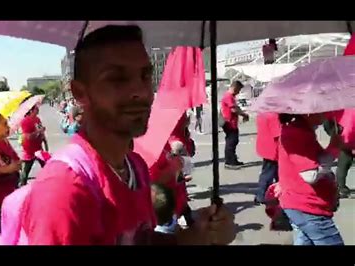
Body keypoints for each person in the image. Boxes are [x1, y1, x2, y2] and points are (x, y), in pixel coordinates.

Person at [21, 25, 235, 245]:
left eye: (145, 75)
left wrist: (199, 235)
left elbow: (143, 240)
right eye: (117, 78)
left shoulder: (136, 166)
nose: (140, 91)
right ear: (80, 92)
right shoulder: (63, 189)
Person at [278, 113, 343, 245]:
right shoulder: (296, 134)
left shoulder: (303, 131)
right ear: (308, 112)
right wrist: (333, 148)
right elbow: (310, 175)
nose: (325, 116)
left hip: (303, 204)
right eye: (322, 111)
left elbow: (317, 159)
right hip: (307, 206)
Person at [323, 109, 354, 199]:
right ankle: (340, 187)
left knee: (344, 162)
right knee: (345, 161)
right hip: (346, 135)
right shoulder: (351, 109)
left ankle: (340, 187)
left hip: (342, 132)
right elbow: (350, 126)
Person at [220, 80, 249, 169]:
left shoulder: (231, 96)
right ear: (234, 87)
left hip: (231, 123)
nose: (238, 92)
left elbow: (236, 107)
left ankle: (233, 160)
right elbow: (233, 109)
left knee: (233, 141)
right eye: (238, 90)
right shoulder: (228, 96)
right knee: (231, 142)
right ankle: (229, 162)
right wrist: (244, 114)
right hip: (229, 123)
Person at [254, 112, 281, 205]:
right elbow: (277, 135)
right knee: (268, 174)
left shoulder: (262, 114)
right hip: (273, 149)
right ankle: (261, 195)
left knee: (271, 173)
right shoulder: (273, 116)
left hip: (265, 147)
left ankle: (265, 194)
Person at [19, 105, 48, 187]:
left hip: (38, 148)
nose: (38, 109)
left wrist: (44, 139)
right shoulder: (25, 121)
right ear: (31, 110)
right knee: (26, 171)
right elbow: (28, 137)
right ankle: (22, 185)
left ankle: (49, 181)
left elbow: (41, 130)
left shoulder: (37, 119)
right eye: (36, 108)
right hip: (29, 150)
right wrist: (39, 131)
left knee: (46, 166)